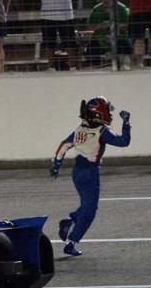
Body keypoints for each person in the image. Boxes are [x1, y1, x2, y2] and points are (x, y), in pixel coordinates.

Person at [50, 97, 132, 257]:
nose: (109, 114)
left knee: (87, 204)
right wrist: (126, 123)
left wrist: (56, 165)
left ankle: (69, 221)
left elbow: (64, 145)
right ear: (99, 113)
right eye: (107, 111)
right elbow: (123, 141)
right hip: (90, 172)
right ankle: (71, 241)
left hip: (77, 172)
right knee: (90, 210)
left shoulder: (79, 129)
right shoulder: (101, 132)